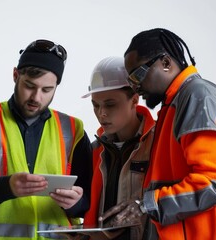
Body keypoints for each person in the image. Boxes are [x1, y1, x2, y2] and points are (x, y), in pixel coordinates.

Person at [102, 28, 216, 239]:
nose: (135, 86)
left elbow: (215, 182)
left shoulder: (198, 96)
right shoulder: (174, 103)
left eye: (138, 75)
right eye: (130, 80)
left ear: (166, 63)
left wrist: (145, 206)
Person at [0, 39, 93, 240]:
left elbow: (90, 200)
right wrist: (8, 186)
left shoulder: (74, 129)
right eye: (30, 86)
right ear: (15, 75)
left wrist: (76, 204)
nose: (36, 98)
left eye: (47, 90)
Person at [73, 56, 154, 240]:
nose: (101, 113)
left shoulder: (159, 144)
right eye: (95, 105)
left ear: (134, 100)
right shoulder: (95, 151)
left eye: (110, 104)